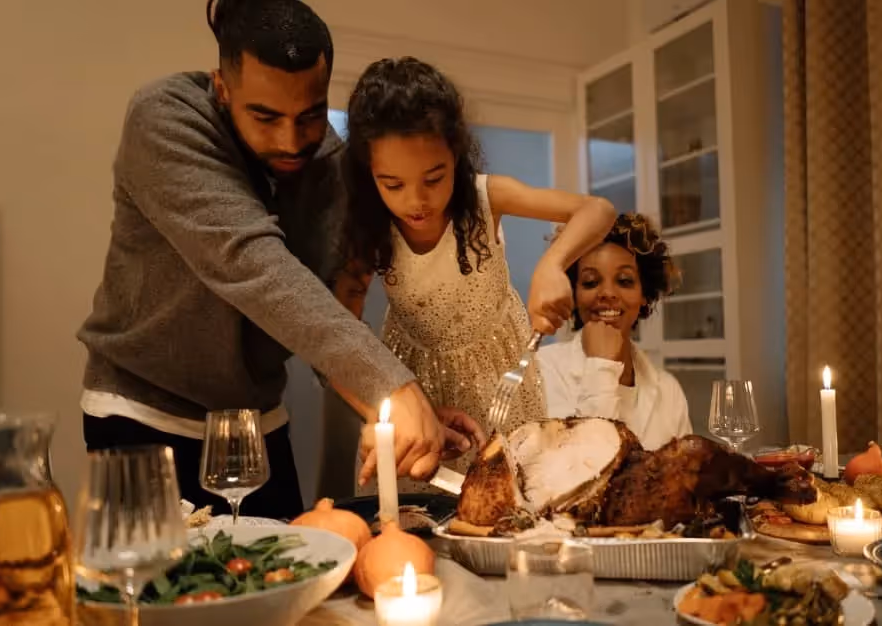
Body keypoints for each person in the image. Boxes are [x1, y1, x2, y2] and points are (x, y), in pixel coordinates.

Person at [76, 0, 480, 520]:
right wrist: (392, 385)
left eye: (310, 116)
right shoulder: (165, 117)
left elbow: (319, 320)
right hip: (141, 414)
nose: (292, 141)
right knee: (156, 597)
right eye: (265, 116)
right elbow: (252, 264)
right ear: (223, 89)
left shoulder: (331, 164)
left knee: (290, 590)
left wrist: (400, 413)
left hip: (257, 425)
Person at [336, 57, 617, 493]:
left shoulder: (488, 197)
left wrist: (552, 263)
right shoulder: (368, 227)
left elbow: (598, 210)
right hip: (413, 381)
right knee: (416, 515)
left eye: (434, 177)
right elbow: (338, 334)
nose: (417, 200)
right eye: (393, 184)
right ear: (368, 174)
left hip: (501, 379)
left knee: (509, 506)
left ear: (457, 157)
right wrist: (386, 404)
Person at [536, 213, 691, 450]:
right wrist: (601, 365)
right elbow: (581, 472)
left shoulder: (668, 390)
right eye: (590, 282)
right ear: (573, 294)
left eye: (624, 280)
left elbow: (685, 477)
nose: (607, 293)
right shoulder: (542, 372)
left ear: (644, 295)